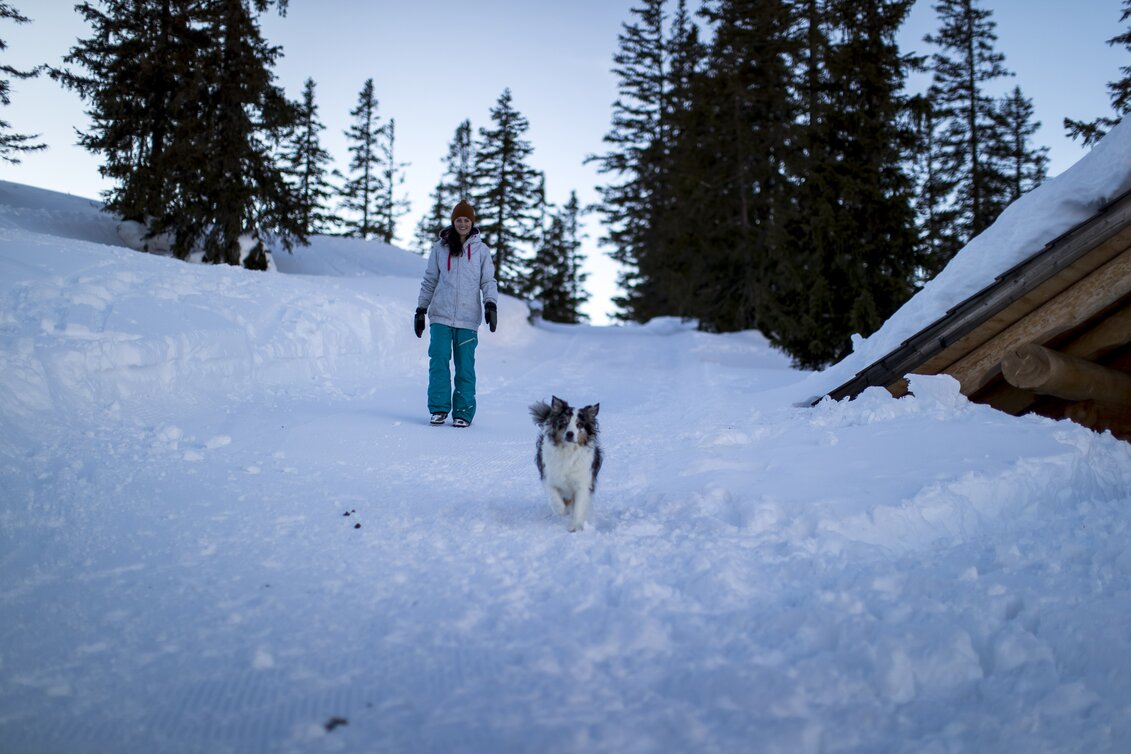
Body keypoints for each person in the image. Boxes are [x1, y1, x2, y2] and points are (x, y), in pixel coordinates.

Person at [415, 200, 499, 427]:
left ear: (472, 223)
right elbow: (430, 281)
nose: (462, 224)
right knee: (439, 361)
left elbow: (488, 280)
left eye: (467, 220)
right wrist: (421, 309)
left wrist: (491, 303)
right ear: (453, 222)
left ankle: (463, 412)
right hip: (441, 316)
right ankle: (439, 409)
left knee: (465, 367)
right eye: (459, 220)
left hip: (468, 319)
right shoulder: (439, 249)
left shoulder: (481, 251)